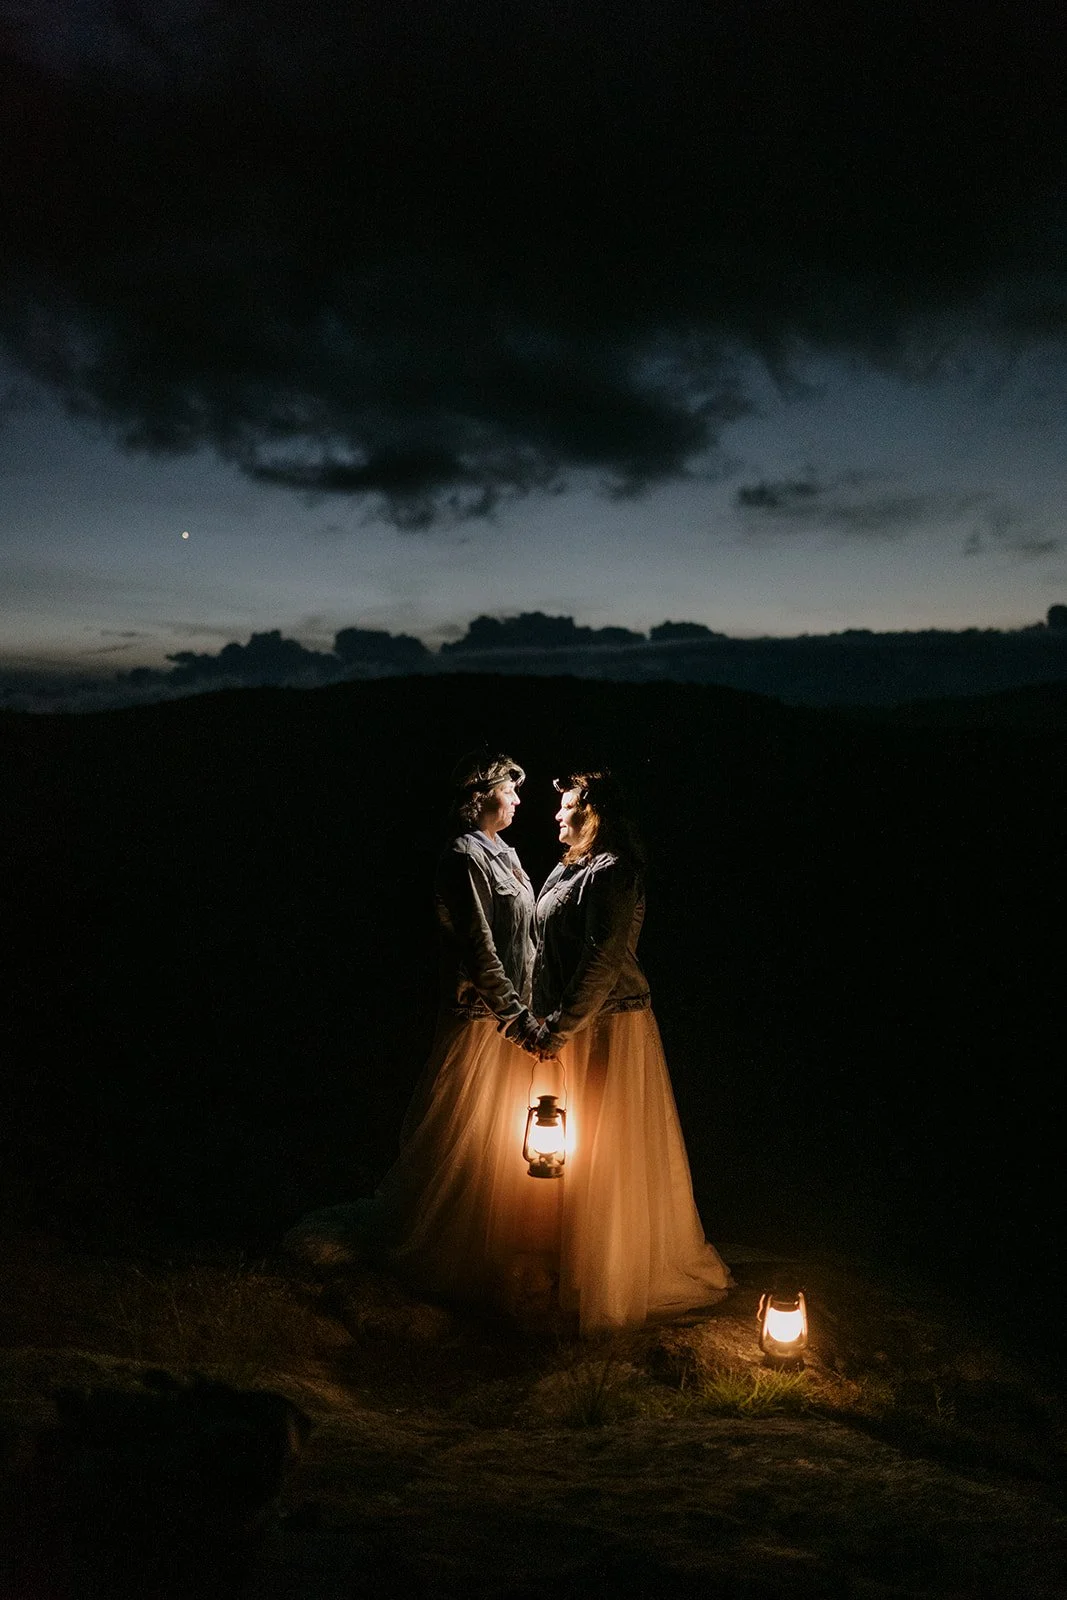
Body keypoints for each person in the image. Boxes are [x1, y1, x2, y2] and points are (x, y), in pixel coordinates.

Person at [533, 771, 732, 1334]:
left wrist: (560, 1026)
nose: (557, 815)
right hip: (574, 1027)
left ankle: (610, 1275)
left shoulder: (616, 874)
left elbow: (603, 959)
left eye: (567, 805)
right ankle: (568, 1260)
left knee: (605, 1149)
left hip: (610, 1031)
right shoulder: (571, 867)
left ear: (594, 813)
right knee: (569, 1151)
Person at [376, 753, 563, 1319]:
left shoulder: (505, 855)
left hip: (514, 1020)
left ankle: (497, 1246)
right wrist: (515, 1018)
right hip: (484, 1023)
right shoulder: (462, 858)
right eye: (511, 787)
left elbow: (524, 941)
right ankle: (449, 1256)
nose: (519, 799)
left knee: (498, 1143)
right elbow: (478, 950)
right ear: (480, 795)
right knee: (465, 1137)